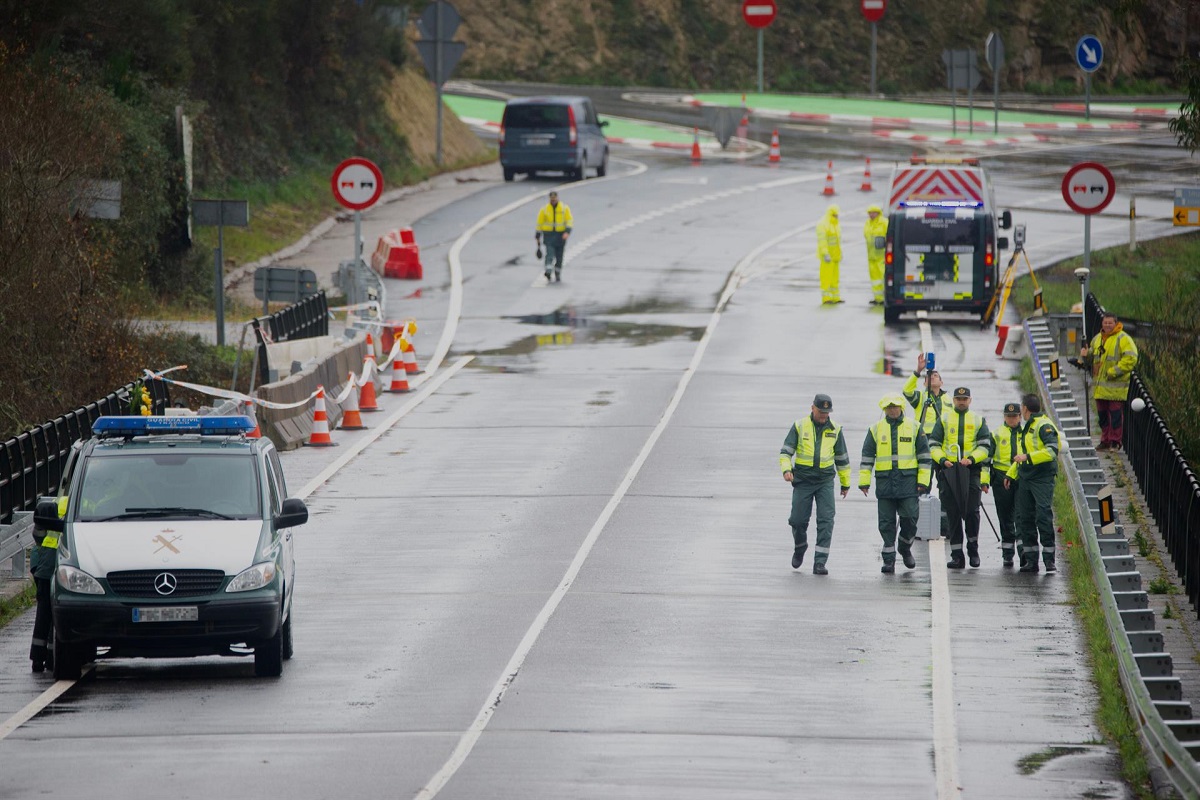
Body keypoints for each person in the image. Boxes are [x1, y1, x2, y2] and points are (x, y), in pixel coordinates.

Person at [779, 393, 852, 575]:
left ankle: (820, 562)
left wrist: (845, 484)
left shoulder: (835, 429)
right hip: (802, 480)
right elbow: (785, 452)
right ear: (812, 408)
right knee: (797, 520)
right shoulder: (799, 426)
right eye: (821, 412)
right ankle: (800, 545)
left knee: (826, 521)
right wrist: (786, 469)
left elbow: (842, 459)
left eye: (827, 413)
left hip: (825, 481)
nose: (823, 416)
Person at [859, 394, 932, 574]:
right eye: (889, 407)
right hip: (885, 483)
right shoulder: (875, 429)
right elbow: (867, 458)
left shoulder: (915, 427)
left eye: (895, 407)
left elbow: (925, 457)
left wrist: (923, 481)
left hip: (908, 483)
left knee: (910, 518)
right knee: (886, 523)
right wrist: (864, 482)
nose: (892, 410)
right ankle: (889, 560)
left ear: (901, 408)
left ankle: (905, 547)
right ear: (884, 409)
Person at [929, 387, 991, 569]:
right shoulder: (945, 419)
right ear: (954, 400)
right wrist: (942, 459)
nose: (961, 401)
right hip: (949, 471)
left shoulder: (978, 420)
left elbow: (985, 447)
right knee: (953, 513)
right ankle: (957, 555)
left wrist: (971, 459)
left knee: (972, 512)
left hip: (970, 471)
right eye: (958, 399)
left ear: (970, 400)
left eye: (964, 399)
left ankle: (973, 550)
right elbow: (934, 444)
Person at [1005, 394, 1062, 573]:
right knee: (1025, 519)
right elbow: (1022, 455)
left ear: (1025, 409)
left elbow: (1052, 451)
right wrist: (1011, 473)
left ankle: (1049, 561)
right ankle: (1031, 561)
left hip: (1041, 479)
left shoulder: (1043, 425)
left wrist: (1028, 458)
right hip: (1025, 477)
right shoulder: (1027, 427)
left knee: (1043, 516)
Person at [1080, 312, 1138, 451]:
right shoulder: (1097, 338)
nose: (1107, 325)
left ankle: (1115, 442)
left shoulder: (1123, 338)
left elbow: (1131, 359)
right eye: (1105, 322)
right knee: (1103, 417)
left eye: (1110, 323)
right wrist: (1085, 355)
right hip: (1100, 387)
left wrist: (1113, 372)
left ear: (1116, 323)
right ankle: (1104, 440)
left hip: (1115, 387)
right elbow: (1092, 358)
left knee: (1116, 416)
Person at [982, 402, 1022, 567]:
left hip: (1021, 479)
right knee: (1005, 517)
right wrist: (984, 480)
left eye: (1014, 417)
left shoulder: (1027, 434)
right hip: (1001, 479)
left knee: (1021, 517)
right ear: (1004, 416)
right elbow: (986, 460)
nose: (1011, 420)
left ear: (1020, 416)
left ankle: (1024, 552)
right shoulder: (996, 434)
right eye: (1008, 416)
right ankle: (1007, 553)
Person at [29, 496, 65, 673]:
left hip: (44, 567)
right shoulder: (80, 506)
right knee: (56, 614)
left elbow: (37, 538)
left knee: (43, 616)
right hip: (61, 567)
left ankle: (38, 659)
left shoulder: (56, 503)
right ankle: (51, 658)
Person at [535, 190, 573, 283]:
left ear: (557, 198)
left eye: (554, 199)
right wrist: (538, 234)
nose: (553, 201)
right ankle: (548, 271)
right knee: (550, 254)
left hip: (560, 236)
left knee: (559, 256)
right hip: (549, 236)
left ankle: (557, 272)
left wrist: (567, 232)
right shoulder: (544, 210)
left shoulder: (564, 208)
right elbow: (539, 222)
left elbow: (569, 221)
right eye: (551, 199)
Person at [816, 204, 843, 305]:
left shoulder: (835, 224)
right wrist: (825, 253)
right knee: (826, 278)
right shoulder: (823, 224)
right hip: (827, 256)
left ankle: (836, 297)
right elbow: (822, 241)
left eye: (837, 215)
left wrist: (840, 253)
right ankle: (826, 298)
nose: (836, 217)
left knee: (835, 278)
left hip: (835, 256)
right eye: (834, 215)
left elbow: (837, 241)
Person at [863, 204, 887, 305]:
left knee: (883, 277)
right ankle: (878, 298)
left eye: (873, 213)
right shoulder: (868, 223)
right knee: (875, 279)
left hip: (882, 256)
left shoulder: (884, 223)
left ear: (878, 213)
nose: (871, 215)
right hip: (871, 256)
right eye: (870, 213)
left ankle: (885, 297)